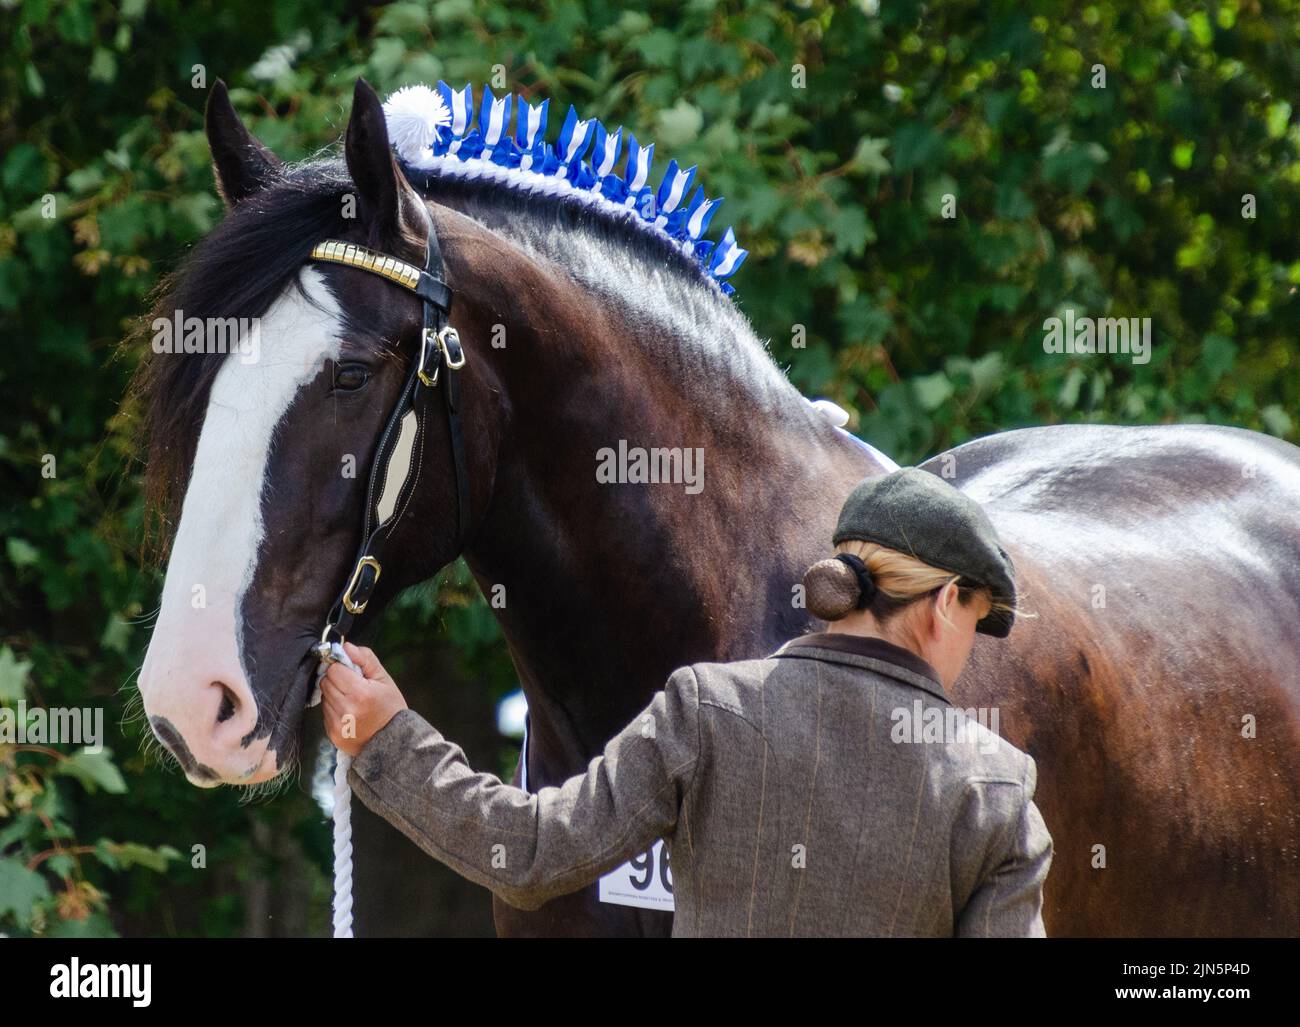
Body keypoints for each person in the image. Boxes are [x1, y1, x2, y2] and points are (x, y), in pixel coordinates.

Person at [320, 467, 1053, 936]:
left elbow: (532, 852)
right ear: (946, 601)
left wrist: (388, 740)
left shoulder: (706, 710)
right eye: (977, 620)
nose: (971, 646)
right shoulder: (997, 790)